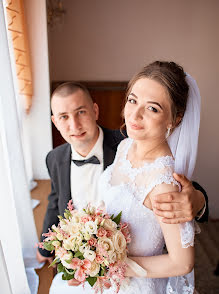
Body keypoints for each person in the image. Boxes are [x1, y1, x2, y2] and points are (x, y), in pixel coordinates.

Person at [48, 62, 213, 294]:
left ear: (175, 119)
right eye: (132, 100)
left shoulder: (163, 182)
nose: (134, 116)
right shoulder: (125, 145)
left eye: (153, 108)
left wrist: (110, 266)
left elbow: (182, 263)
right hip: (100, 273)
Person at [37, 81, 208, 268]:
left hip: (129, 262)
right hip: (81, 260)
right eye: (63, 117)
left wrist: (199, 200)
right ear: (55, 122)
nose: (74, 125)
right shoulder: (53, 158)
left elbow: (168, 179)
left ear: (95, 111)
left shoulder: (128, 143)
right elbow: (55, 200)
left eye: (81, 112)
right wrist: (44, 249)